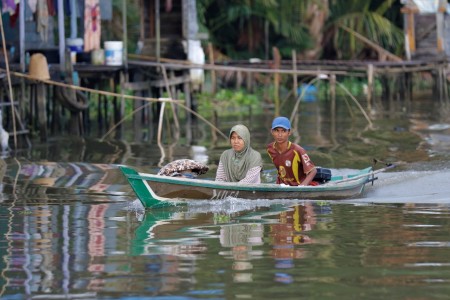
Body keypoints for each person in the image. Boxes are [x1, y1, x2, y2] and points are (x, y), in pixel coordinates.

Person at [267, 116, 317, 186]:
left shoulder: (298, 150)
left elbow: (313, 171)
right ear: (272, 131)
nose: (280, 135)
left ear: (289, 132)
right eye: (276, 130)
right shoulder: (270, 149)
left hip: (298, 185)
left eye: (283, 131)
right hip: (281, 186)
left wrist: (302, 187)